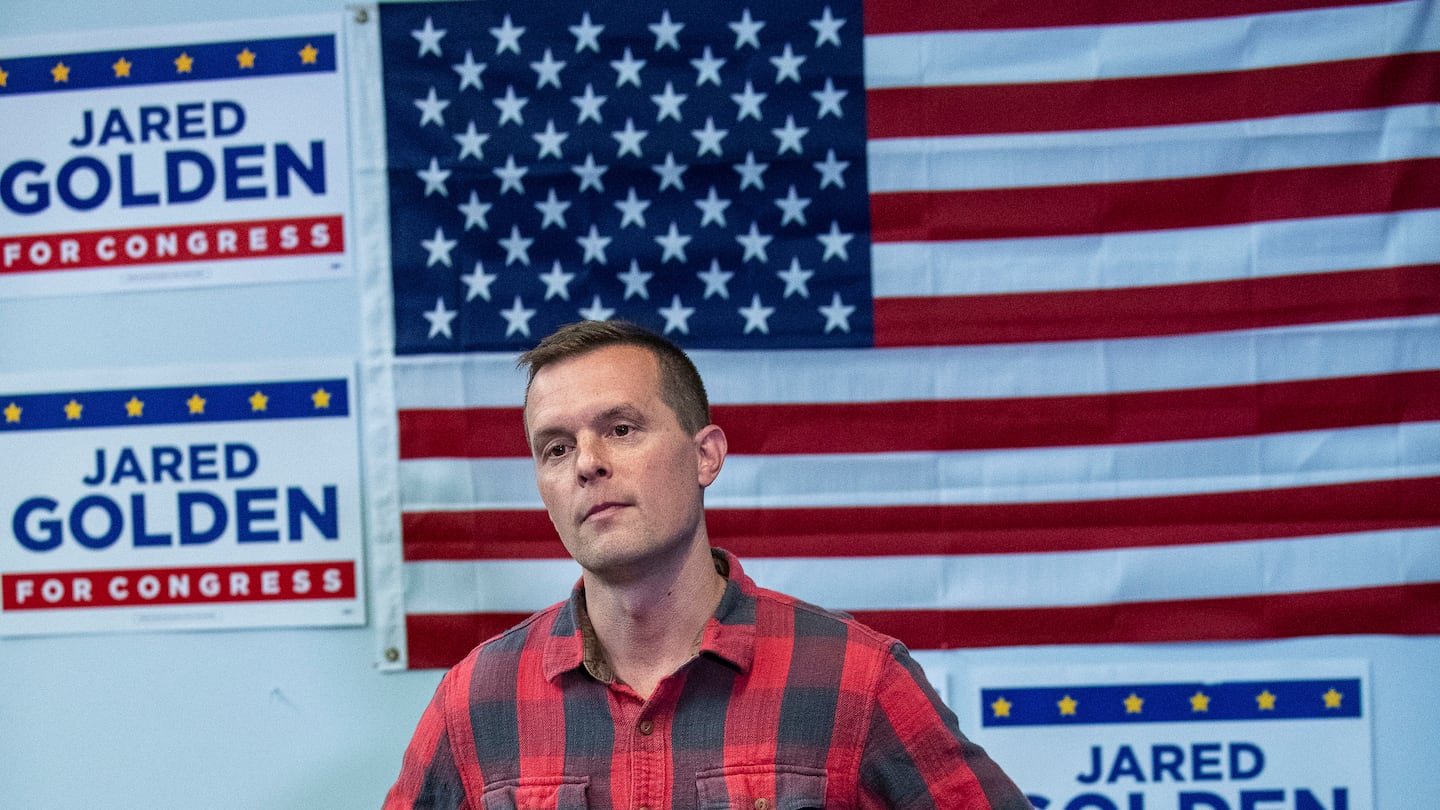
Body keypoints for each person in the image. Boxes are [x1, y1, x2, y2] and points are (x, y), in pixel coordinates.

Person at [384, 320, 1029, 810]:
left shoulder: (855, 681)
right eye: (556, 447)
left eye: (621, 429)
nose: (587, 462)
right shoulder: (476, 702)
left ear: (706, 457)